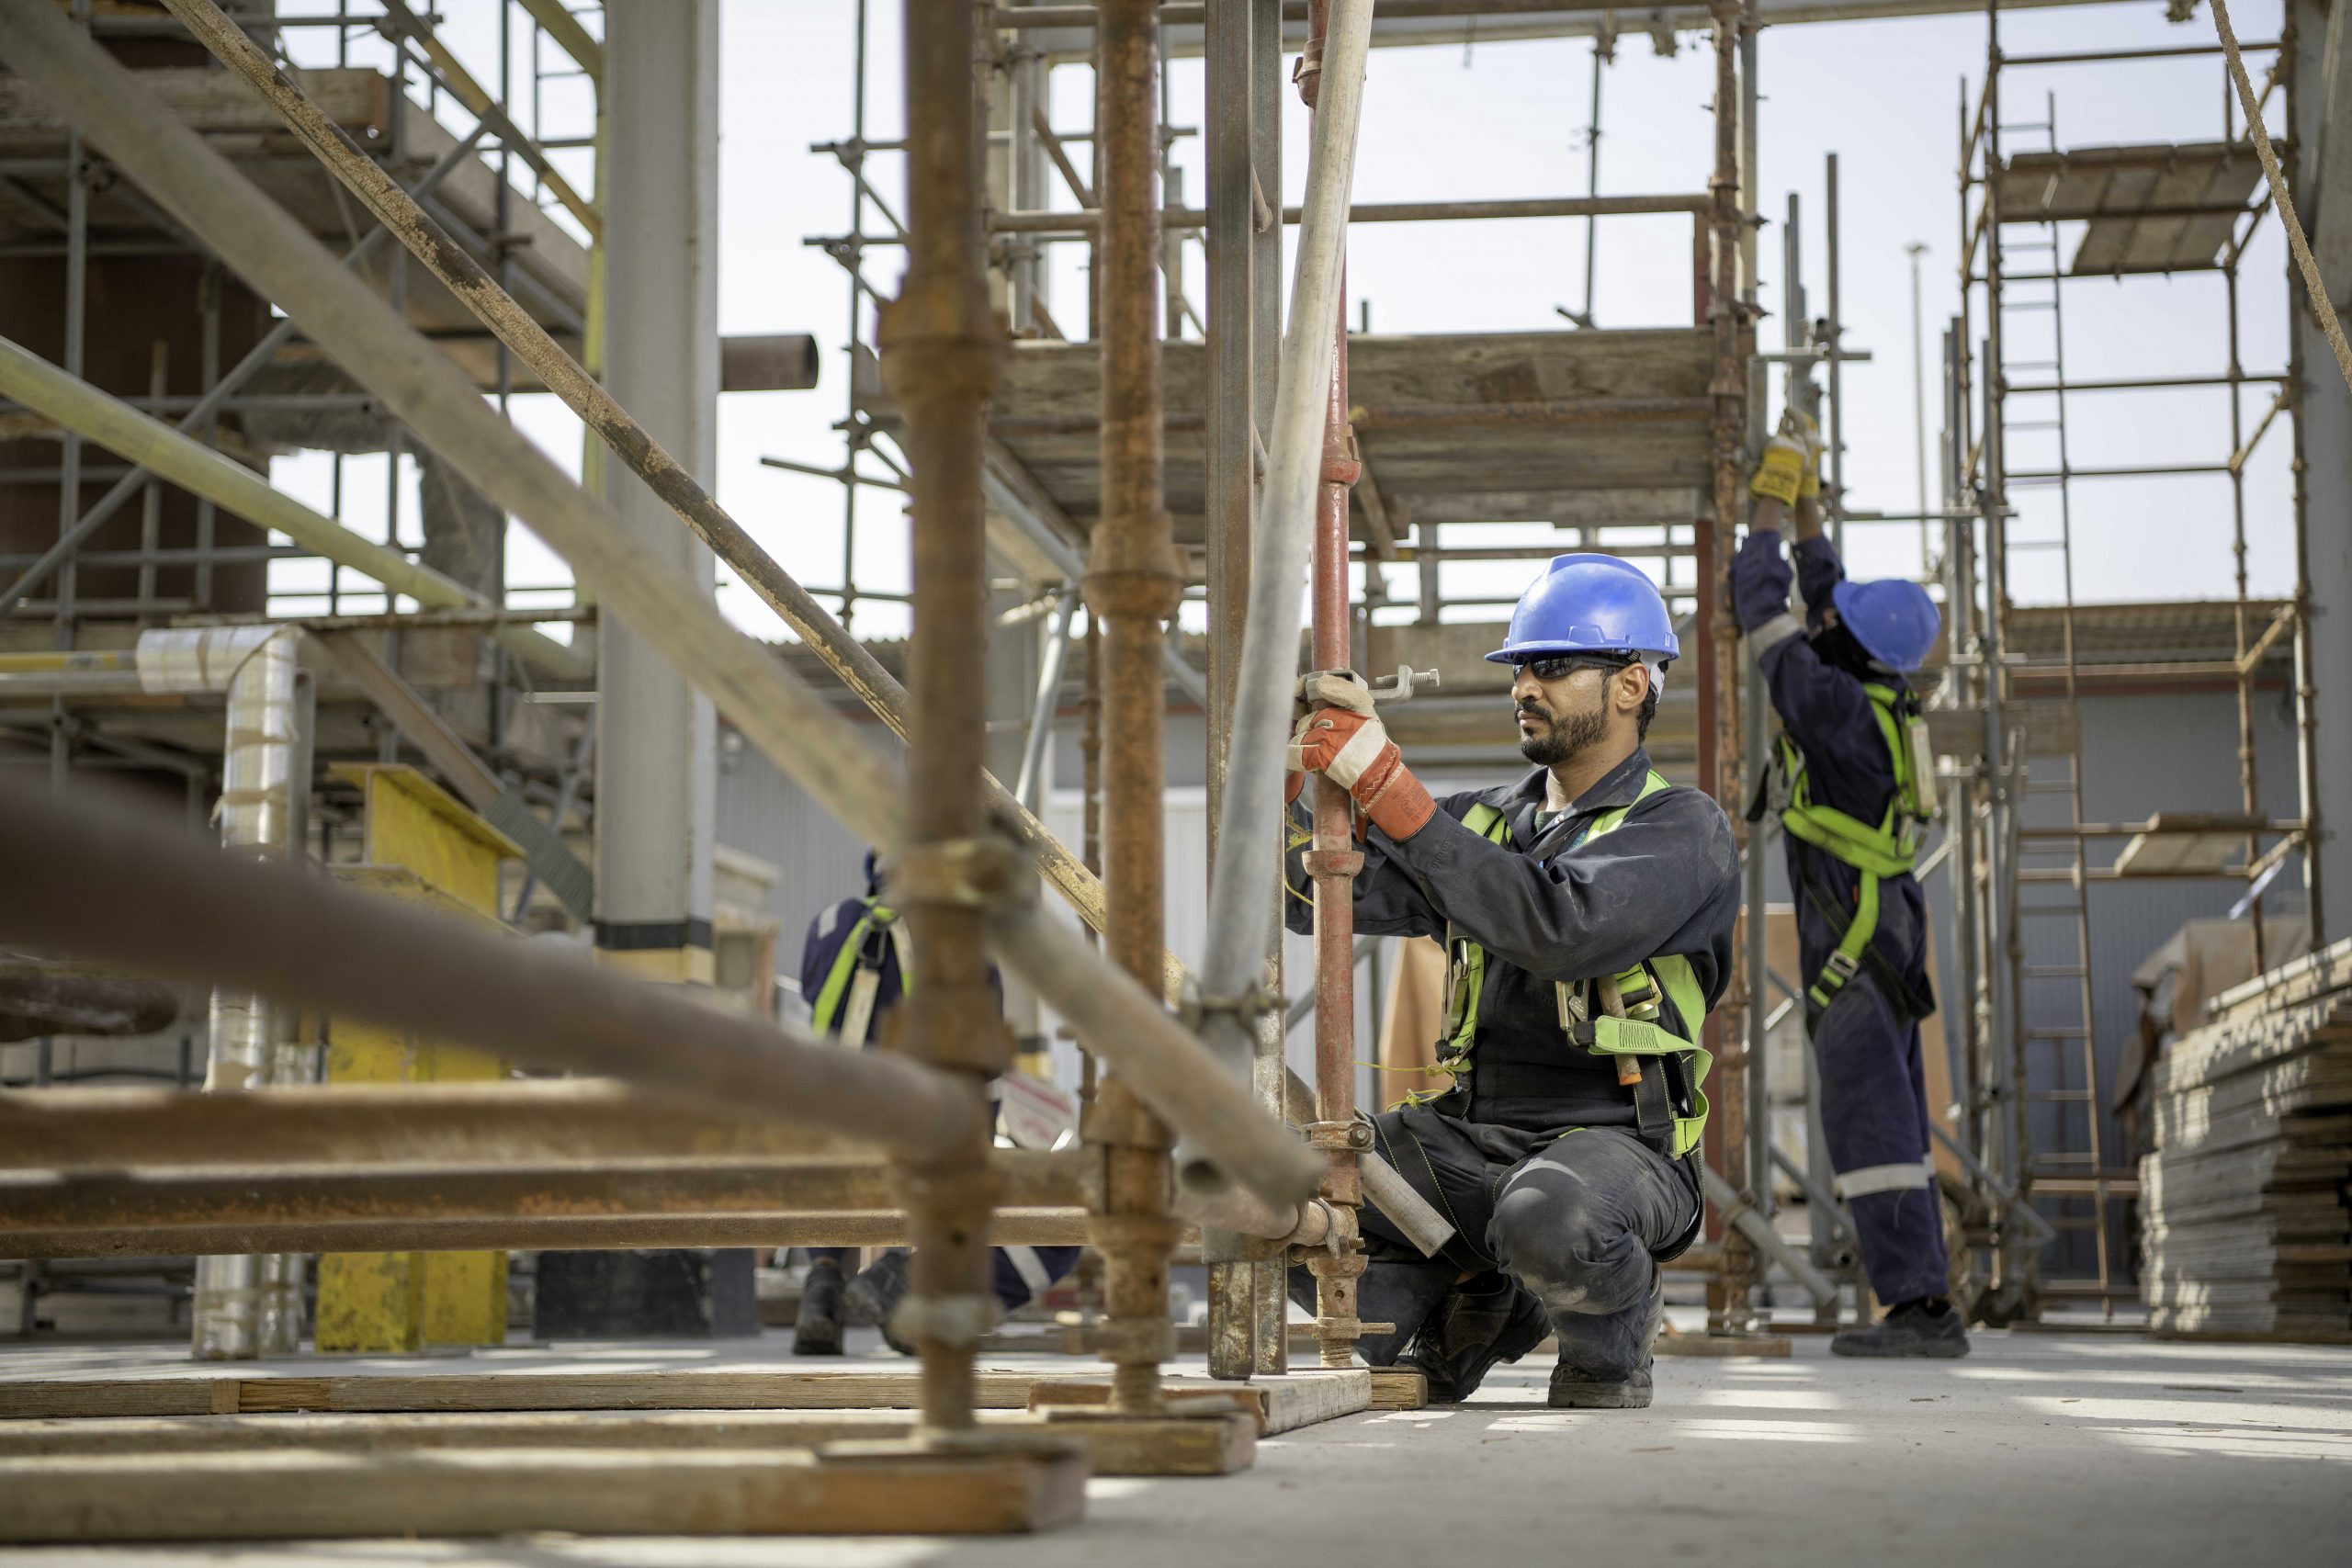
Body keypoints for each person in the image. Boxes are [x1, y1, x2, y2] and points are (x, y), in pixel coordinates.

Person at [1283, 556, 1740, 1409]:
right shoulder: (1484, 823)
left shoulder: (1683, 829)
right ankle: (1471, 1312)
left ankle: (1611, 1341)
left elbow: (1561, 927)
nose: (1526, 686)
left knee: (1548, 1220)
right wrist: (1293, 766)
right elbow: (1314, 897)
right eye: (1521, 668)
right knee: (1274, 1191)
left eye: (1553, 666)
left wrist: (1385, 783)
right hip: (1467, 1140)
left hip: (1618, 1147)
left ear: (1633, 684)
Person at [1730, 411, 1967, 1359]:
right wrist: (1811, 504)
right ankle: (1921, 1295)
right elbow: (1823, 595)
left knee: (1869, 1124)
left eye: (1836, 619)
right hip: (1888, 932)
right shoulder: (1879, 691)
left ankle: (1916, 1309)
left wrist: (1767, 495)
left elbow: (1760, 600)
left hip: (1857, 943)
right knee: (1896, 1118)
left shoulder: (1830, 707)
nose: (1825, 612)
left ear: (1851, 643)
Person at [790, 852, 1080, 1356]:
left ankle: (822, 1289)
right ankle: (911, 1285)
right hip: (921, 1145)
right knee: (1062, 1232)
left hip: (830, 1143)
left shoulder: (826, 926)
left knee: (838, 1151)